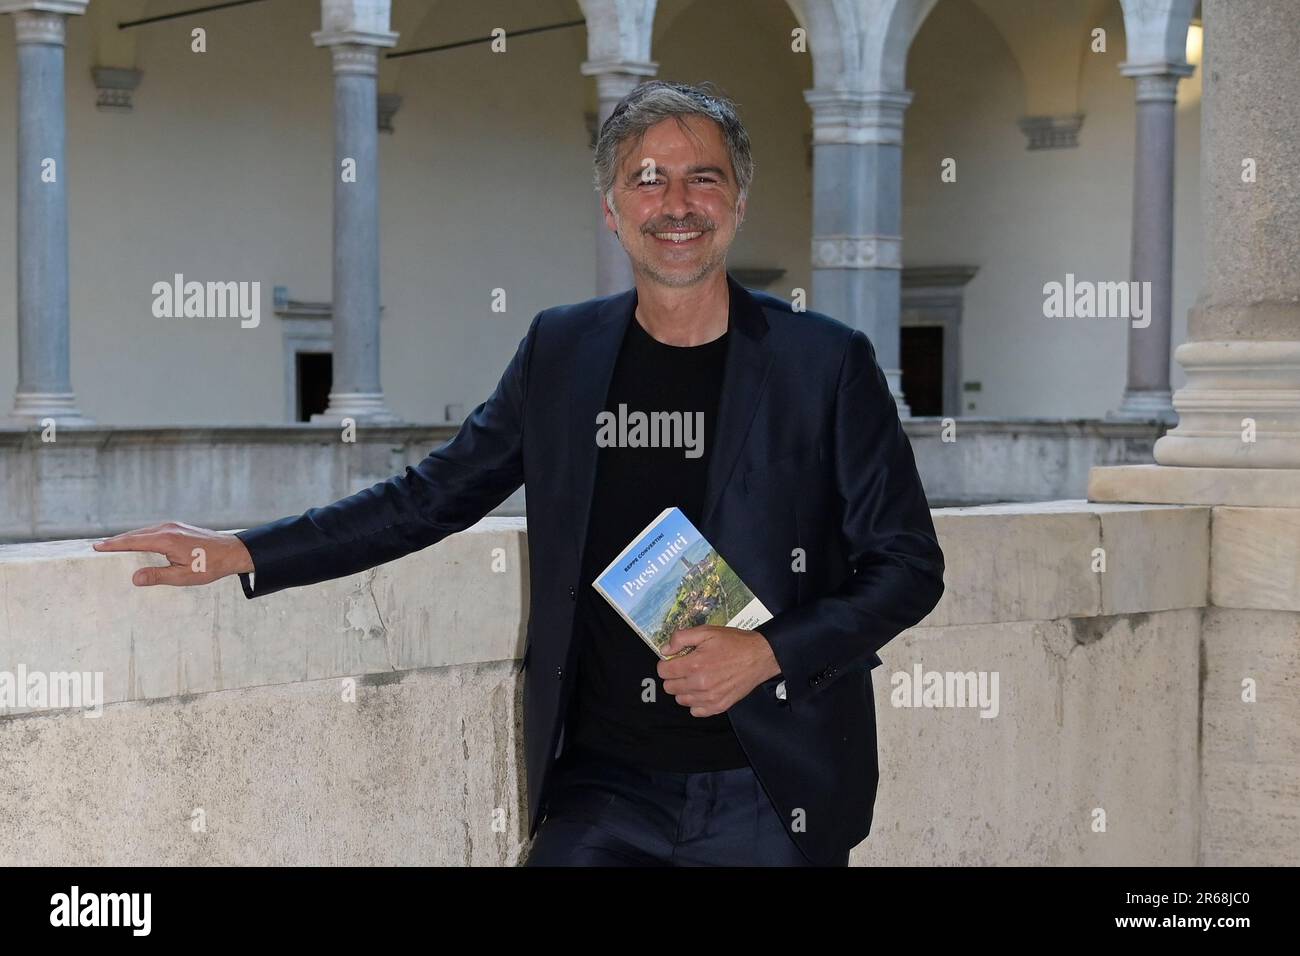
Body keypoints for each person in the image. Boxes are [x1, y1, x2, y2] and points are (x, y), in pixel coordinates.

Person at [95, 80, 946, 867]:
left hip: (771, 791)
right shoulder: (561, 350)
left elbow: (908, 567)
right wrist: (246, 552)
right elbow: (431, 496)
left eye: (704, 179)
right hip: (604, 786)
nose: (677, 204)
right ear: (611, 209)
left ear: (738, 202)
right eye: (647, 180)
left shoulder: (825, 362)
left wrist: (766, 652)